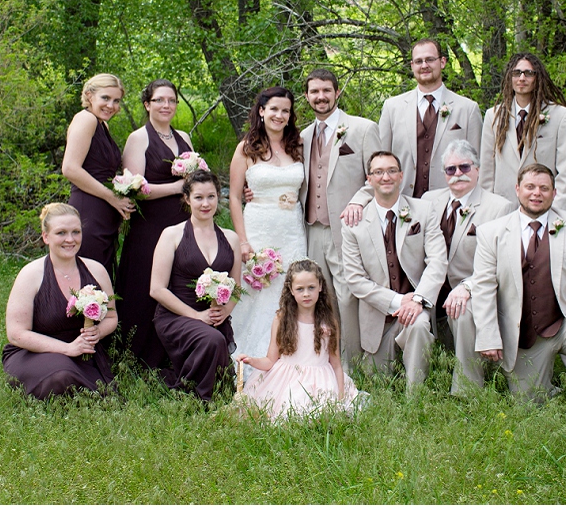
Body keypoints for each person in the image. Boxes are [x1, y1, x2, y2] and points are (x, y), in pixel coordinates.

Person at [470, 164, 566, 409]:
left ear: (554, 192)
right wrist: (488, 336)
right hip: (524, 332)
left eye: (543, 188)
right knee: (528, 405)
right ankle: (555, 389)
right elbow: (483, 287)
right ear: (517, 189)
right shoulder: (491, 233)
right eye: (530, 187)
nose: (536, 193)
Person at [341, 151, 448, 394]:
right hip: (378, 316)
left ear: (401, 176)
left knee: (420, 325)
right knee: (378, 388)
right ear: (369, 179)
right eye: (378, 172)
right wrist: (400, 301)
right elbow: (355, 280)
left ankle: (416, 398)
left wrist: (418, 300)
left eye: (391, 171)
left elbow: (438, 262)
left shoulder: (424, 211)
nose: (385, 176)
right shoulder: (353, 223)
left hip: (417, 307)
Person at [298, 69, 381, 363]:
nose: (320, 97)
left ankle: (354, 364)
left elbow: (379, 177)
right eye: (314, 92)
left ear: (337, 93)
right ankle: (325, 361)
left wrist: (358, 202)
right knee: (320, 297)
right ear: (307, 96)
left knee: (348, 296)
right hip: (312, 228)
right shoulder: (303, 137)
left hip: (348, 227)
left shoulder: (362, 128)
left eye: (326, 91)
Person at [421, 140, 515, 395]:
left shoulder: (499, 207)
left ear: (477, 169)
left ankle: (467, 390)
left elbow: (500, 262)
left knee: (461, 312)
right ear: (444, 174)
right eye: (451, 169)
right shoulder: (430, 201)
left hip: (476, 286)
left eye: (464, 167)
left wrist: (467, 287)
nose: (458, 174)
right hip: (434, 282)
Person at [115, 79, 195, 370]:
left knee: (179, 283)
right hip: (150, 225)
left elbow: (195, 180)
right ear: (147, 104)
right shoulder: (139, 138)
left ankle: (177, 354)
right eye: (159, 100)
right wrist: (178, 188)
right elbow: (135, 188)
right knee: (146, 284)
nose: (166, 106)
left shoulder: (184, 135)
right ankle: (138, 358)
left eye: (171, 100)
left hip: (183, 222)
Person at [2, 203, 118, 399]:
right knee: (62, 376)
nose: (70, 239)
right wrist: (67, 349)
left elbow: (112, 316)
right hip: (34, 354)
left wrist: (97, 332)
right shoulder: (30, 274)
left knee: (91, 384)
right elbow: (16, 334)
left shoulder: (97, 270)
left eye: (76, 232)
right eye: (61, 233)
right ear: (45, 236)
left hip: (83, 354)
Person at [228, 87, 307, 358]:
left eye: (285, 110)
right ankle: (251, 357)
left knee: (293, 287)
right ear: (261, 111)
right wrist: (243, 240)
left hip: (292, 229)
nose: (279, 115)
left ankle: (292, 352)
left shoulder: (298, 144)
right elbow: (235, 198)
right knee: (258, 293)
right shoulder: (246, 148)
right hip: (259, 227)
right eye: (274, 109)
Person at [150, 170, 241, 403]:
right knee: (212, 340)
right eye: (198, 197)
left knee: (213, 337)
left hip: (214, 316)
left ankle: (215, 395)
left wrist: (225, 311)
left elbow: (237, 286)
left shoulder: (230, 238)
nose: (205, 203)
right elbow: (157, 289)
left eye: (211, 196)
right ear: (187, 198)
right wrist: (196, 315)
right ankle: (198, 397)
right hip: (176, 316)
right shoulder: (171, 235)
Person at [235, 260, 361, 419]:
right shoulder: (282, 319)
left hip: (320, 380)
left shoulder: (329, 322)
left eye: (311, 288)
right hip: (286, 380)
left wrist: (341, 396)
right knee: (285, 413)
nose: (306, 294)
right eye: (300, 289)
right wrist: (251, 360)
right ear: (291, 290)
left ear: (320, 287)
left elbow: (336, 364)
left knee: (318, 415)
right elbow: (270, 360)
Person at [377, 39, 483, 198]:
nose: (424, 65)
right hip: (403, 202)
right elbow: (381, 161)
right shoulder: (392, 108)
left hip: (450, 203)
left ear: (442, 62)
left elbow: (477, 164)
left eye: (430, 59)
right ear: (412, 66)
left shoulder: (468, 109)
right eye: (419, 61)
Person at [479, 52, 566, 211]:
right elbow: (486, 172)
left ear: (538, 77)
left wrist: (555, 215)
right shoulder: (494, 116)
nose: (522, 78)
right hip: (502, 211)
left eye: (529, 73)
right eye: (517, 73)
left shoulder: (561, 117)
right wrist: (488, 211)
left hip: (543, 210)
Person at [61, 73, 134, 280]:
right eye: (105, 98)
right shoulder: (85, 119)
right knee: (88, 280)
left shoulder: (102, 125)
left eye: (116, 100)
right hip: (88, 211)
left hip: (104, 213)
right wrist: (112, 197)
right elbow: (70, 168)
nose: (111, 105)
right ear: (89, 95)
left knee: (100, 279)